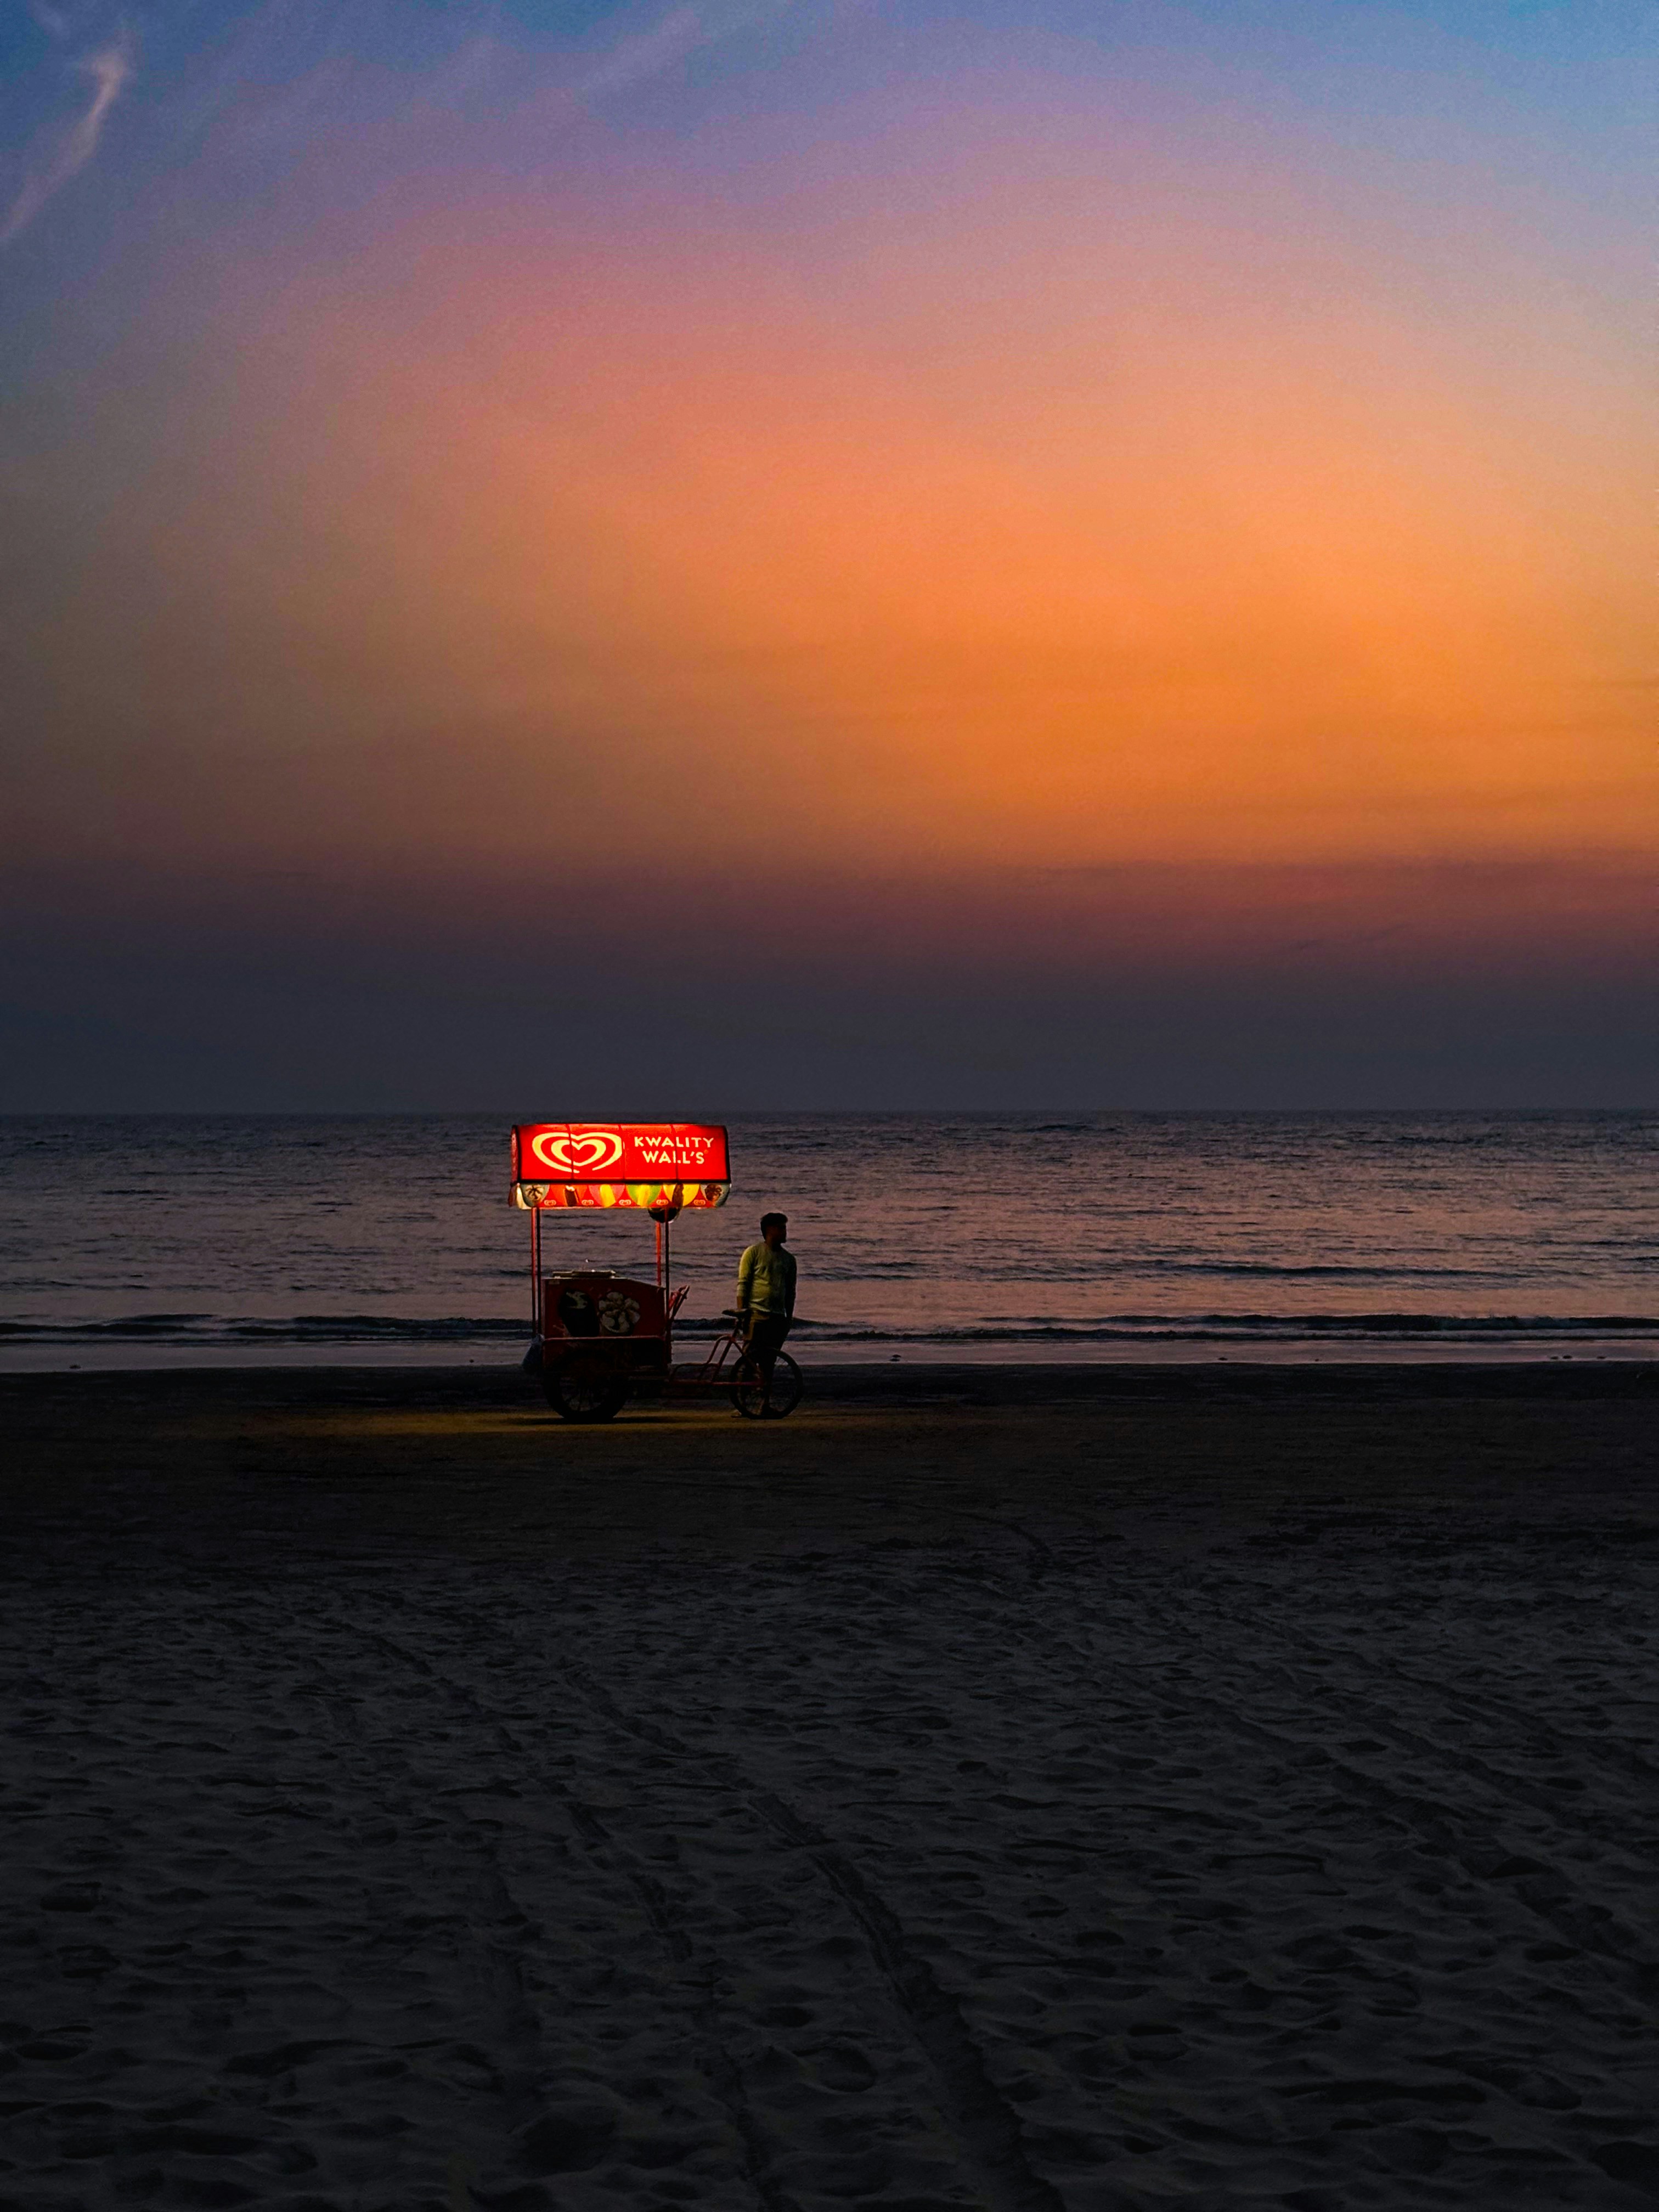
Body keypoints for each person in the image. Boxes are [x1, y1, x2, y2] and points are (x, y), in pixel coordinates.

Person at [735, 1212, 796, 1413]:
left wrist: (789, 1318)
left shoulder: (789, 1260)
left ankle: (765, 1404)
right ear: (769, 1230)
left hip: (777, 1317)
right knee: (749, 1360)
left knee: (769, 1363)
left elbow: (791, 1292)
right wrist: (742, 1312)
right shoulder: (753, 1253)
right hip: (756, 1314)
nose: (784, 1232)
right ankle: (742, 1403)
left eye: (784, 1228)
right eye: (781, 1228)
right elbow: (743, 1284)